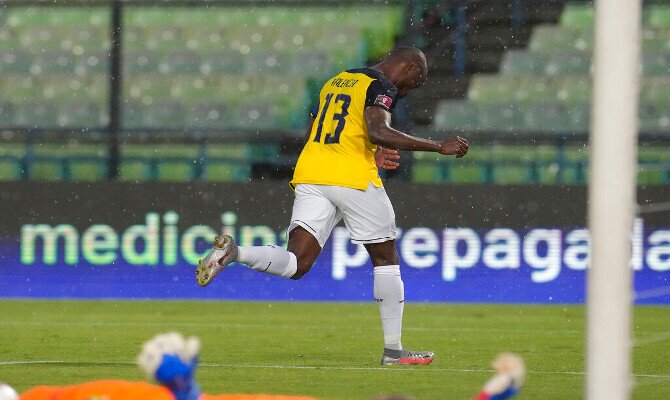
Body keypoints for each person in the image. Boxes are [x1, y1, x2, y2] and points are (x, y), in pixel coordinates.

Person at [196, 46, 469, 365]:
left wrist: (369, 152)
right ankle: (394, 350)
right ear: (408, 68)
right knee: (385, 258)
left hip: (312, 172)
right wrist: (438, 146)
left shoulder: (337, 81)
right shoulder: (381, 85)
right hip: (350, 177)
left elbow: (317, 133)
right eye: (412, 84)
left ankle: (235, 253)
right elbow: (378, 130)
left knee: (297, 263)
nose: (405, 93)